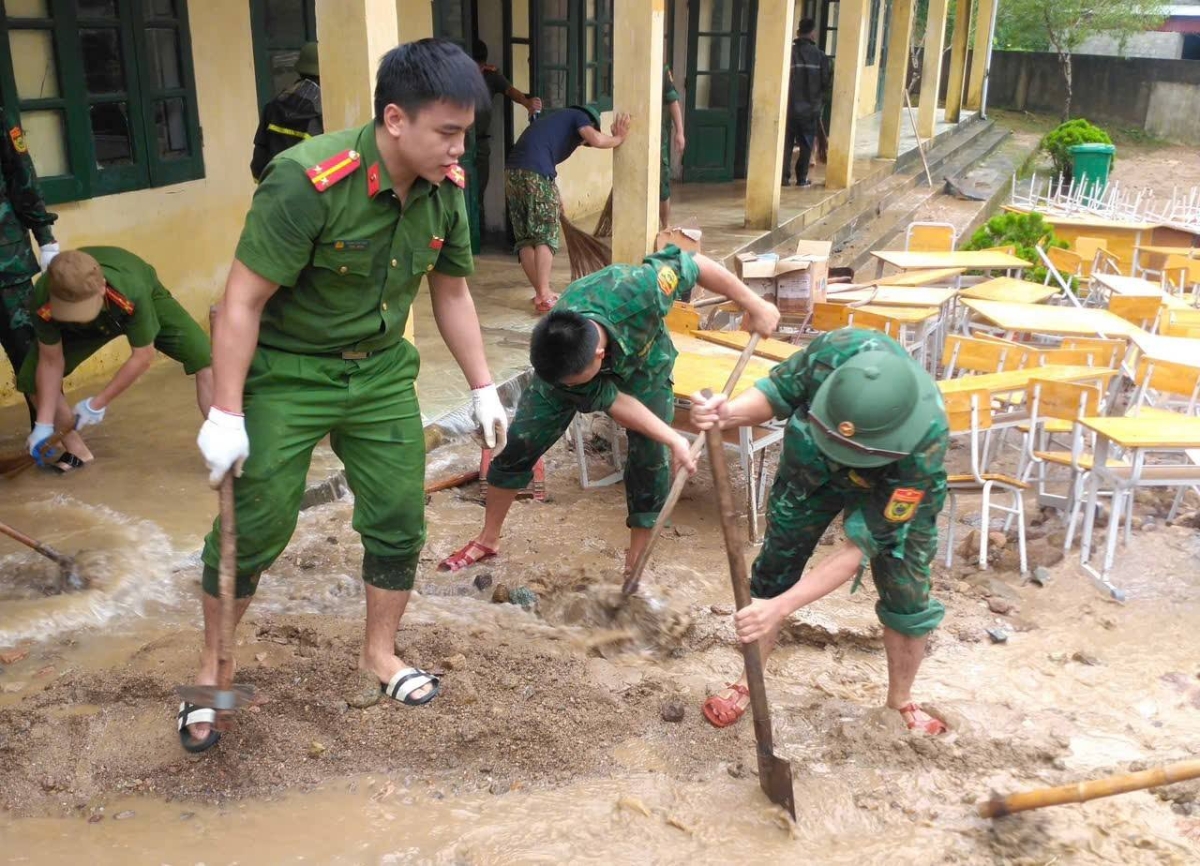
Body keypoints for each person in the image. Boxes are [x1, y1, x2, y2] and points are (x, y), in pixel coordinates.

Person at [181, 39, 508, 753]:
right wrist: (227, 412)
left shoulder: (445, 190)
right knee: (259, 522)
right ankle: (211, 676)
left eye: (464, 135)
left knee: (397, 515)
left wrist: (484, 385)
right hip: (290, 372)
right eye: (446, 133)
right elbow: (241, 302)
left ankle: (380, 654)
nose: (459, 152)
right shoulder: (306, 181)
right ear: (396, 119)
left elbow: (450, 292)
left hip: (382, 372)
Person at [438, 246, 780, 576]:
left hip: (645, 368)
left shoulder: (641, 290)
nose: (573, 388)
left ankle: (636, 561)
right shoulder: (560, 350)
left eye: (576, 382)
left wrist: (753, 303)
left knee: (650, 458)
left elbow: (695, 262)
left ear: (598, 357)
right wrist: (677, 439)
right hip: (565, 374)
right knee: (521, 442)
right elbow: (616, 404)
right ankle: (488, 539)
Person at [690, 328, 950, 735]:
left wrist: (782, 607)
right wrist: (728, 414)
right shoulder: (839, 349)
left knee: (906, 588)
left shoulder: (924, 444)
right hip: (811, 463)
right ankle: (749, 680)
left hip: (889, 478)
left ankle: (900, 700)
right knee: (776, 565)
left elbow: (856, 549)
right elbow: (778, 390)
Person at [21, 247, 212, 472]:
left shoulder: (132, 289)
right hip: (76, 326)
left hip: (135, 304)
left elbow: (143, 356)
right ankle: (78, 451)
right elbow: (50, 361)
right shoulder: (43, 300)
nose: (80, 317)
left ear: (102, 286)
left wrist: (96, 404)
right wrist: (43, 423)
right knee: (32, 378)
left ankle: (222, 445)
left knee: (205, 359)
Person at [504, 104, 629, 313]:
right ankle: (544, 294)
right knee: (544, 235)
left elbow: (541, 161)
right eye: (583, 141)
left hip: (512, 174)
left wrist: (555, 194)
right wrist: (618, 139)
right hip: (535, 175)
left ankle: (540, 294)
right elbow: (597, 139)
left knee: (526, 238)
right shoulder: (579, 116)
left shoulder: (550, 123)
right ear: (591, 123)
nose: (582, 143)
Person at [1, 106, 58, 428]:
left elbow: (22, 178)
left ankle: (49, 433)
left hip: (6, 266)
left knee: (29, 355)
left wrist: (46, 238)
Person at [470, 39, 541, 207]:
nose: (477, 71)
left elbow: (510, 90)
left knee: (478, 190)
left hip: (479, 144)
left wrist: (526, 102)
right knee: (458, 190)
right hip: (459, 146)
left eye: (480, 67)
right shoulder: (454, 76)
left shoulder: (491, 76)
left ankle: (475, 232)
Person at [250, 42, 323, 181]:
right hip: (307, 194)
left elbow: (258, 166)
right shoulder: (324, 113)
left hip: (274, 190)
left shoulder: (272, 107)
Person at [782, 19, 831, 188]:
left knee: (786, 144)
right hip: (810, 110)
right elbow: (825, 83)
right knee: (806, 145)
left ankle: (782, 178)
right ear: (812, 33)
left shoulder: (789, 53)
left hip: (788, 108)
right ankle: (801, 178)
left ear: (798, 33)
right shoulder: (821, 57)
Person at [659, 64, 686, 229]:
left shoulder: (661, 71)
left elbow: (673, 102)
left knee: (662, 183)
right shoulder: (626, 64)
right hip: (630, 135)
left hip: (657, 138)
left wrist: (680, 132)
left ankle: (665, 226)